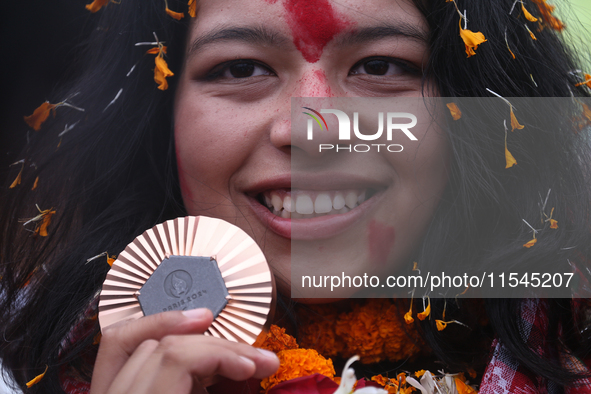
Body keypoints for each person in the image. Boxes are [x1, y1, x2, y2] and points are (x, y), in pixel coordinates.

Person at [1, 0, 591, 392]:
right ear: (159, 121)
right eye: (239, 70)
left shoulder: (575, 341)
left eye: (380, 65)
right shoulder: (25, 362)